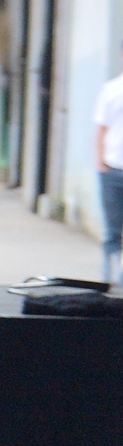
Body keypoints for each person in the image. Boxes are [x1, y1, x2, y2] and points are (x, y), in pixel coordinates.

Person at [98, 65, 123, 284]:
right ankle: (108, 275)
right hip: (113, 167)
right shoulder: (112, 89)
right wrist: (100, 163)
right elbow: (101, 128)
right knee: (112, 228)